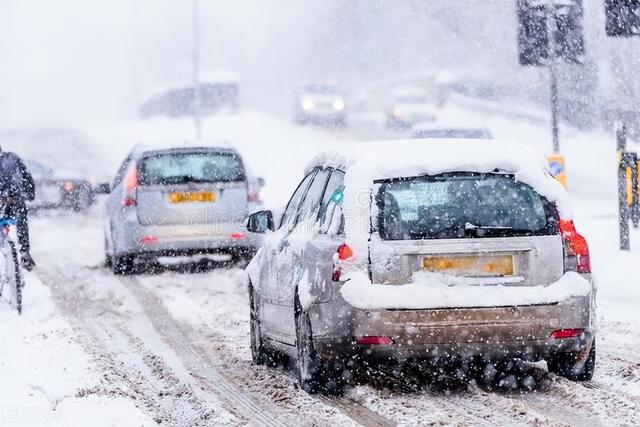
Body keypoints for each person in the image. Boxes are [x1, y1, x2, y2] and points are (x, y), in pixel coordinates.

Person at [0, 146, 36, 271]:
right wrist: (30, 194)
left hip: (6, 203)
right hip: (13, 202)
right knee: (21, 217)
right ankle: (24, 250)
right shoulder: (12, 158)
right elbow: (27, 178)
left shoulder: (11, 158)